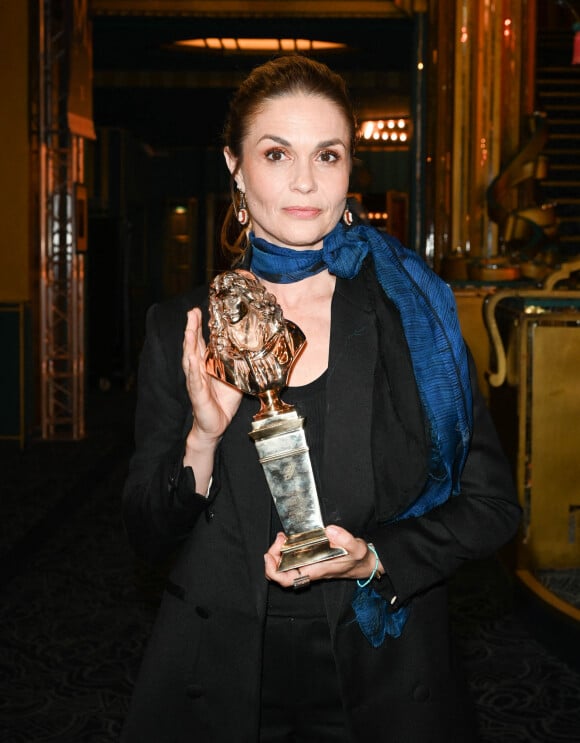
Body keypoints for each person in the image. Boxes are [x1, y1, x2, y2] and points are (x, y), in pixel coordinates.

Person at [121, 55, 521, 742]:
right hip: (217, 676)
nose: (306, 180)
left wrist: (376, 556)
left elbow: (492, 507)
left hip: (385, 671)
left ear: (348, 168)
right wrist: (204, 438)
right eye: (276, 153)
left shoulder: (411, 314)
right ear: (236, 167)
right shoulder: (178, 326)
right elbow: (146, 533)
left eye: (327, 154)